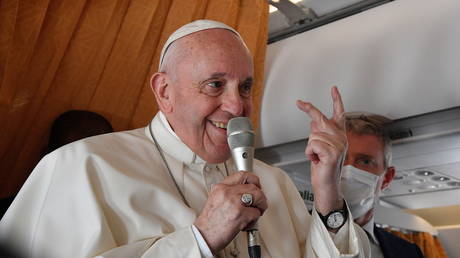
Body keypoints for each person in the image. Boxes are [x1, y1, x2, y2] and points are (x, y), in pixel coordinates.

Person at [0, 20, 369, 257]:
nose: (236, 104)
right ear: (165, 91)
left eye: (245, 86)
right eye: (214, 85)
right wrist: (201, 239)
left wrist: (327, 194)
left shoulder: (275, 181)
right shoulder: (81, 165)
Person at [340, 112, 424, 258]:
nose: (348, 171)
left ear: (386, 178)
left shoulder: (409, 253)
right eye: (340, 159)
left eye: (365, 161)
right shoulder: (294, 233)